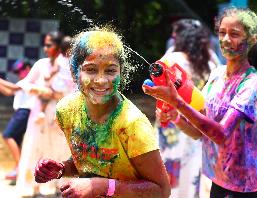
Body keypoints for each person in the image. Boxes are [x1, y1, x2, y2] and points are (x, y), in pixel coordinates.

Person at [143, 7, 257, 198]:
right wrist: (177, 118)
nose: (226, 39)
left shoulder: (252, 84)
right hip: (218, 181)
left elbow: (221, 134)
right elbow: (201, 132)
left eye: (234, 34)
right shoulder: (217, 74)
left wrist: (177, 102)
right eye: (222, 32)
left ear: (251, 39)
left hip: (241, 187)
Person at [34, 29, 171, 198]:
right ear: (74, 73)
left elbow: (161, 190)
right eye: (90, 70)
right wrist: (62, 168)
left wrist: (103, 186)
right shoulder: (67, 110)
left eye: (110, 71)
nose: (101, 80)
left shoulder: (132, 125)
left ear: (121, 72)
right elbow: (92, 163)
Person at [155, 19, 213, 198]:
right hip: (195, 125)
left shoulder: (171, 59)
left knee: (168, 172)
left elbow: (157, 89)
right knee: (191, 173)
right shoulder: (209, 63)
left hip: (171, 123)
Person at [15, 31, 74, 196]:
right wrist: (38, 89)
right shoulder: (41, 64)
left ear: (59, 47)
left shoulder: (71, 67)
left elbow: (76, 92)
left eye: (49, 45)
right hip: (39, 117)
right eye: (45, 44)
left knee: (59, 149)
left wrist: (57, 95)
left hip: (59, 116)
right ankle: (33, 188)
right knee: (35, 148)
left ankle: (57, 187)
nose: (46, 48)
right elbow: (25, 83)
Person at [0, 60, 32, 180]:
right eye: (17, 72)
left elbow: (13, 87)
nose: (19, 73)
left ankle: (20, 168)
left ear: (28, 68)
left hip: (24, 111)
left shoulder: (30, 79)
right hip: (20, 112)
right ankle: (18, 168)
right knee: (16, 141)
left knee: (7, 135)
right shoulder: (23, 82)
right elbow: (9, 92)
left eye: (21, 70)